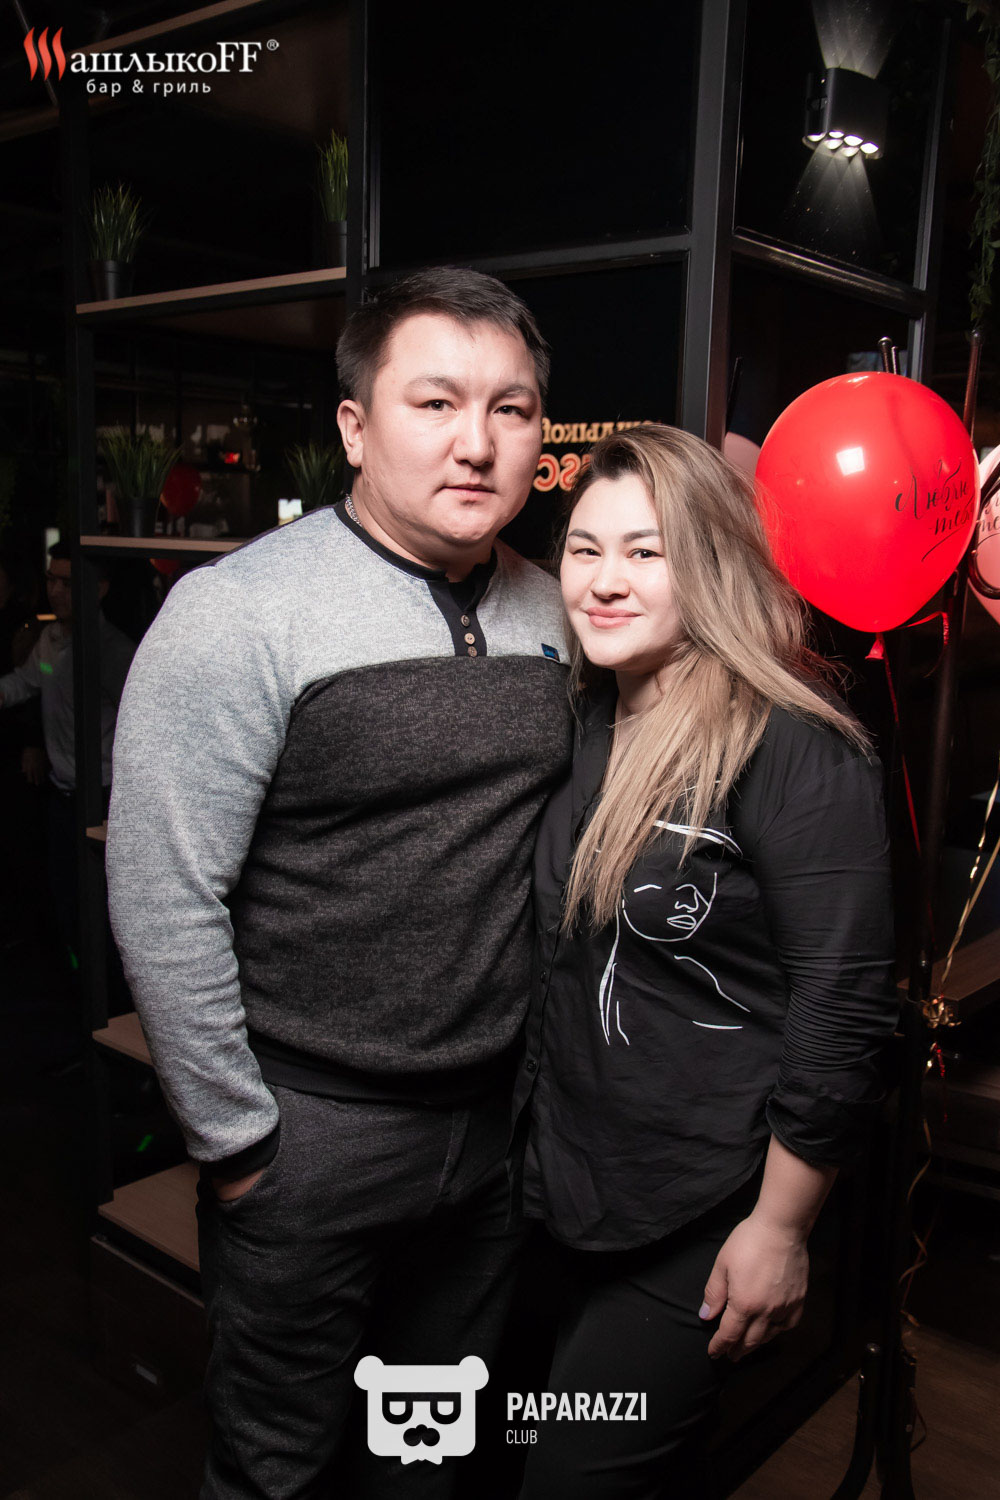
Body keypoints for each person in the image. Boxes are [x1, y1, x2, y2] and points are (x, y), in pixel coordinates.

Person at [106, 267, 573, 1498]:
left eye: (511, 408)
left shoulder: (557, 610)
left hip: (489, 1136)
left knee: (427, 1454)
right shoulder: (238, 614)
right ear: (356, 427)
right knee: (278, 1469)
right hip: (309, 1135)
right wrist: (240, 1144)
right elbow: (163, 893)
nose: (476, 442)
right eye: (435, 402)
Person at [513, 425, 898, 1499]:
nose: (604, 580)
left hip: (702, 1204)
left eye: (646, 552)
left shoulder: (792, 744)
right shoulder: (587, 718)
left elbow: (841, 1005)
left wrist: (779, 1228)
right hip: (567, 1182)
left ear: (711, 562)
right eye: (585, 549)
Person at [0, 541, 135, 968]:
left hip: (104, 796)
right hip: (62, 796)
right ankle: (78, 984)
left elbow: (140, 720)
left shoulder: (112, 651)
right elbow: (26, 682)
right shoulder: (51, 638)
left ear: (99, 588)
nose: (56, 591)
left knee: (105, 908)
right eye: (51, 581)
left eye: (67, 583)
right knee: (67, 899)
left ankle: (109, 991)